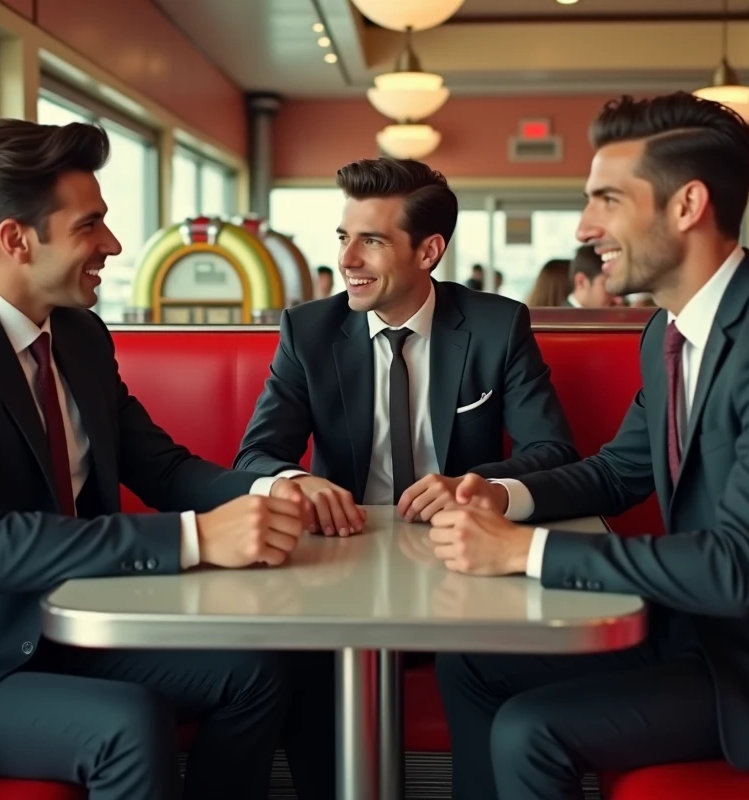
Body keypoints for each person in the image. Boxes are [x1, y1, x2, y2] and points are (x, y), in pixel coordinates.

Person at [0, 118, 313, 800]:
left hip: (64, 632)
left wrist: (273, 488)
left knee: (257, 674)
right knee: (127, 723)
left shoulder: (77, 335)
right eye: (90, 225)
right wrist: (197, 537)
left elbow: (162, 468)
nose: (112, 244)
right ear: (15, 239)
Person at [426, 93, 749, 799]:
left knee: (529, 728)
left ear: (686, 205)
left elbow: (741, 568)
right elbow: (620, 471)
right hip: (693, 635)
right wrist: (504, 495)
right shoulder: (668, 331)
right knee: (469, 659)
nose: (585, 228)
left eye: (607, 200)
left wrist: (524, 552)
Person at [233, 157, 577, 800]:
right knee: (296, 669)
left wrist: (475, 482)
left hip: (463, 567)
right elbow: (254, 455)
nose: (348, 260)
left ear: (430, 250)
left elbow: (553, 450)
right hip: (340, 566)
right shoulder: (308, 331)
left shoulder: (498, 326)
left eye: (372, 240)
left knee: (478, 667)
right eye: (343, 237)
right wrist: (290, 481)